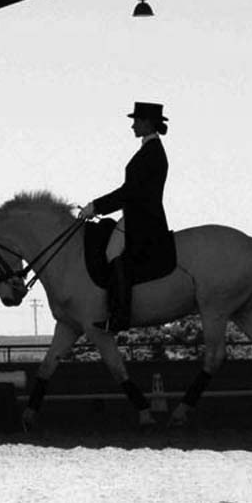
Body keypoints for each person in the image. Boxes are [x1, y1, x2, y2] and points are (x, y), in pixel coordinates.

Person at [80, 102, 170, 332]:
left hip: (143, 220)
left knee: (112, 252)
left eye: (136, 121)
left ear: (147, 123)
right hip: (137, 215)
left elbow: (129, 191)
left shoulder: (151, 153)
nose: (132, 125)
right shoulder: (148, 151)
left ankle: (120, 316)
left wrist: (95, 206)